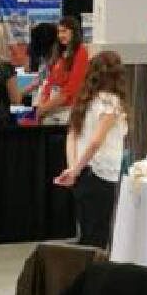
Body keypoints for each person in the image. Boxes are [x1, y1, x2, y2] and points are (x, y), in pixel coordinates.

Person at [53, 51, 129, 250]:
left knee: (86, 233)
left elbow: (72, 135)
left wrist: (73, 168)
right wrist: (76, 170)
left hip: (83, 173)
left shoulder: (84, 100)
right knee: (98, 237)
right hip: (102, 173)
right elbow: (96, 142)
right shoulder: (111, 103)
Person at [35, 16, 89, 125]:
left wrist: (44, 108)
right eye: (59, 32)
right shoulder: (60, 52)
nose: (60, 35)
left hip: (66, 111)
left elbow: (71, 89)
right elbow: (50, 81)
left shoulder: (81, 52)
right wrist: (42, 103)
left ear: (74, 32)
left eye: (64, 31)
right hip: (50, 108)